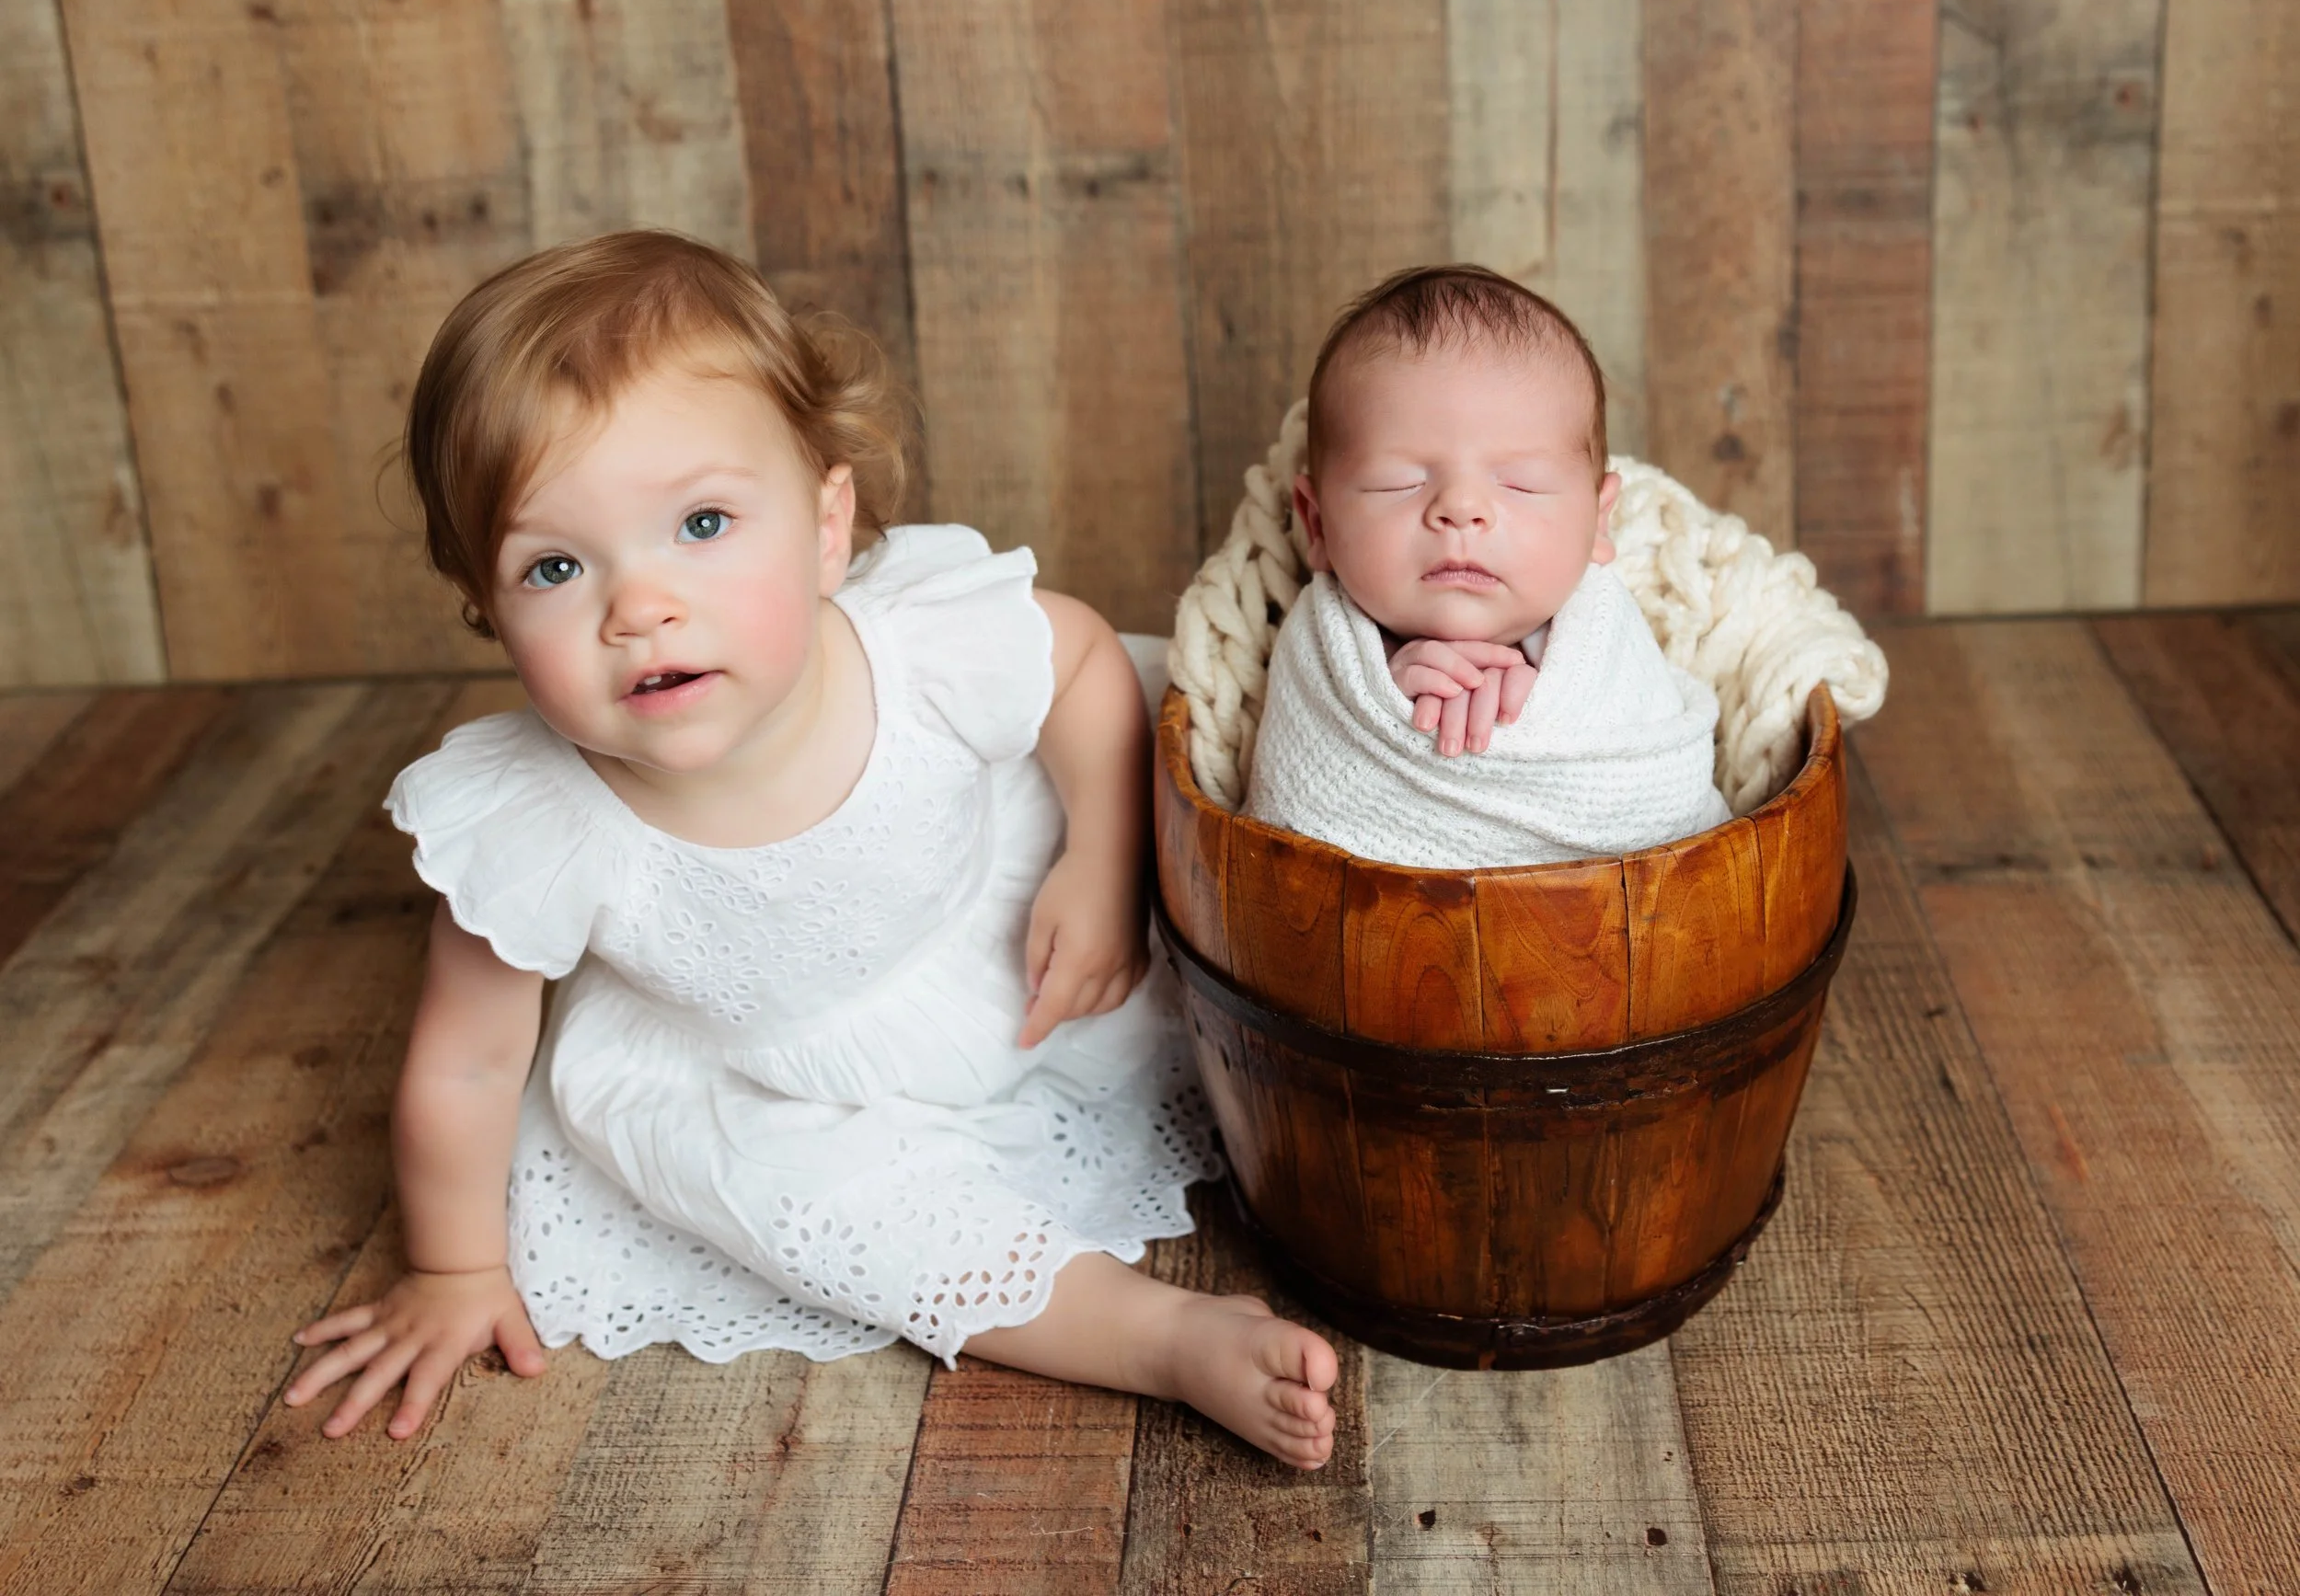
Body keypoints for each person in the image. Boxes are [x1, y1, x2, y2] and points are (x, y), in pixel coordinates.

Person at [282, 230, 1338, 1469]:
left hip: (1003, 941)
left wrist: (1101, 874)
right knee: (845, 1222)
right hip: (754, 1074)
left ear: (827, 527)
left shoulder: (918, 649)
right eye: (555, 566)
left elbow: (1084, 665)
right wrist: (455, 1266)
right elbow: (464, 1068)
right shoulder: (533, 819)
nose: (639, 606)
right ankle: (1161, 1339)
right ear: (486, 606)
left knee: (1240, 908)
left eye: (705, 522)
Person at [1245, 265, 1729, 869]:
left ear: (1599, 522)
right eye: (1400, 482)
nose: (1462, 510)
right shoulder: (1320, 645)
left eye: (1521, 485)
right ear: (1316, 524)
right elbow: (1295, 814)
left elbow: (1656, 790)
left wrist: (1540, 710)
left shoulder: (1606, 638)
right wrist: (1391, 696)